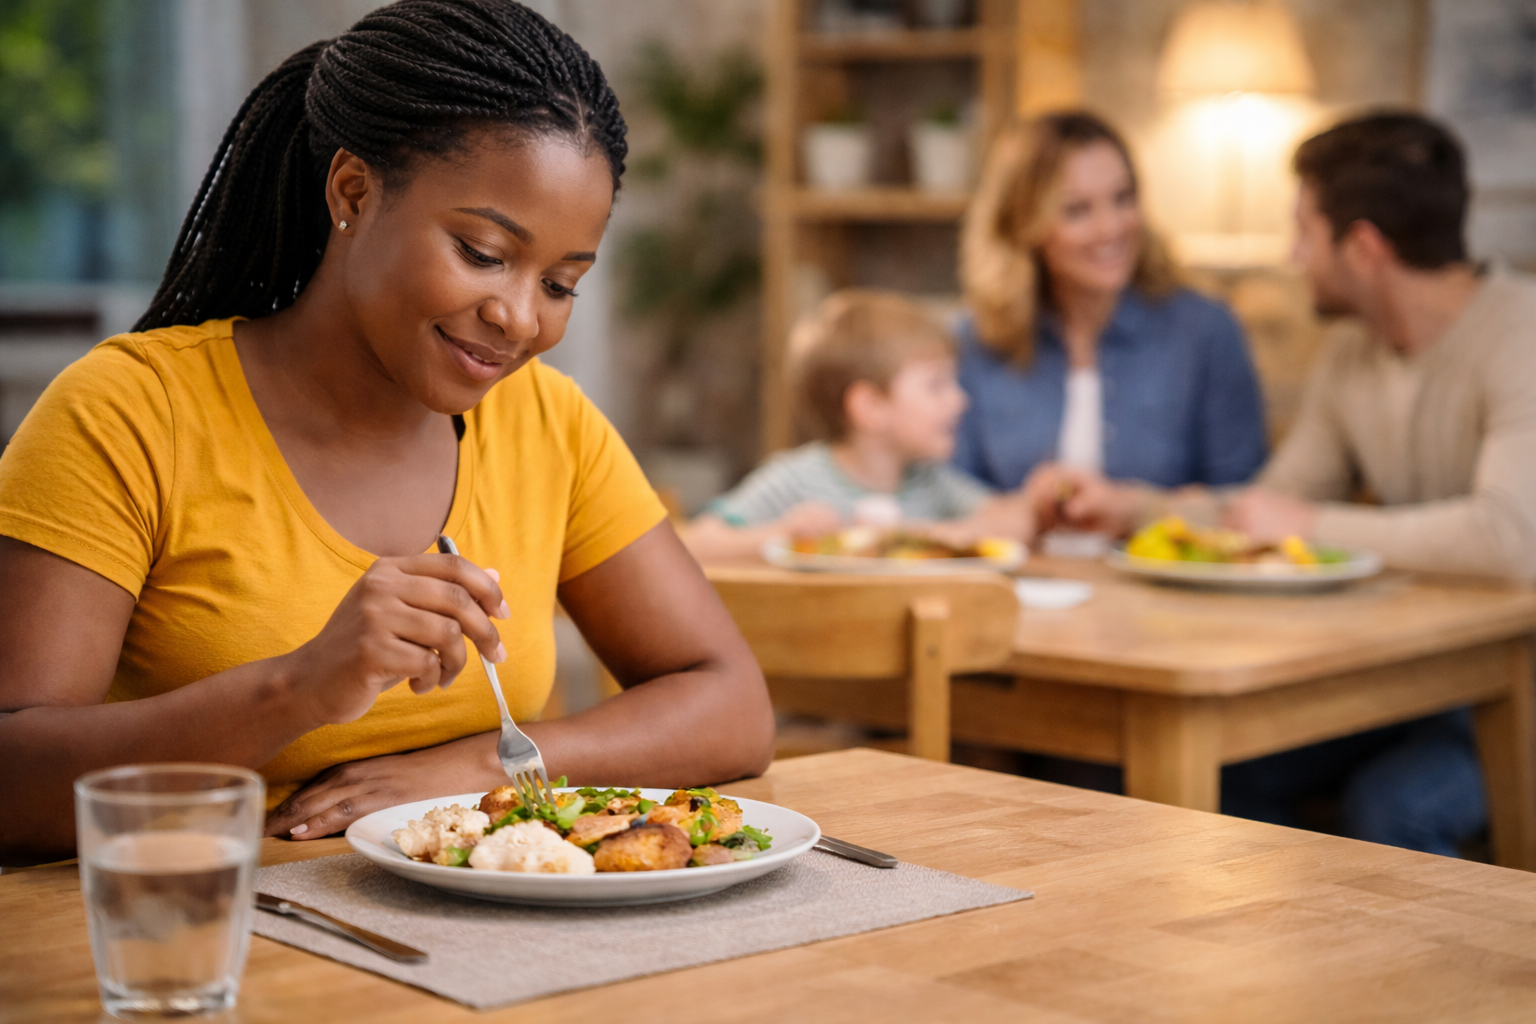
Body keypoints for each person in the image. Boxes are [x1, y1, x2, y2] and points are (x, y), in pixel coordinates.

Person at [0, 0, 774, 868]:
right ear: (354, 193)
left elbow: (733, 706)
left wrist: (478, 767)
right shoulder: (129, 412)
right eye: (483, 252)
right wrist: (297, 687)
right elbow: (9, 783)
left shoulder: (547, 424)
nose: (517, 317)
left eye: (561, 283)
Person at [1040, 111, 1536, 856]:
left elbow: (1509, 540)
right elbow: (1268, 506)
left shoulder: (1520, 335)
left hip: (1509, 692)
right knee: (1217, 779)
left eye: (1304, 231)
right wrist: (1135, 508)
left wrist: (1308, 524)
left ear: (1363, 247)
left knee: (1394, 808)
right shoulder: (1350, 355)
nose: (1291, 254)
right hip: (1413, 684)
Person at [953, 111, 1267, 499]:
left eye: (1123, 199)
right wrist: (1021, 510)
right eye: (1076, 210)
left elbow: (1241, 500)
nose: (1110, 228)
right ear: (1024, 224)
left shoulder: (1205, 331)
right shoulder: (975, 338)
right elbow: (949, 494)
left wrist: (1135, 510)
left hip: (1159, 559)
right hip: (1016, 559)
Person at [681, 290, 1031, 562]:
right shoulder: (795, 480)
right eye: (936, 385)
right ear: (870, 406)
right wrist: (780, 534)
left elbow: (1015, 522)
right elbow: (692, 544)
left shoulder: (930, 482)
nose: (959, 401)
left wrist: (919, 537)